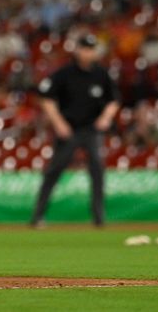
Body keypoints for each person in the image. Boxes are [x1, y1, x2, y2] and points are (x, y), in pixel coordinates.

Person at [31, 33, 121, 227]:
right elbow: (45, 97)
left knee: (97, 169)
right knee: (54, 170)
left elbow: (114, 100)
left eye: (91, 49)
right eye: (84, 48)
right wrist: (58, 122)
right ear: (77, 50)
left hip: (91, 129)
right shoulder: (65, 73)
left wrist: (106, 117)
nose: (88, 53)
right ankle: (37, 216)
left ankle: (99, 218)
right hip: (69, 129)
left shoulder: (101, 74)